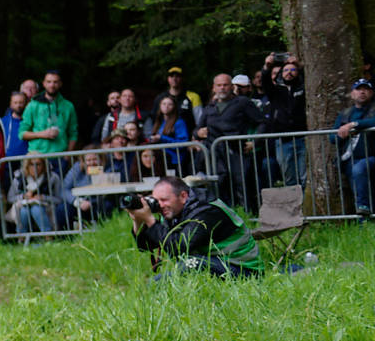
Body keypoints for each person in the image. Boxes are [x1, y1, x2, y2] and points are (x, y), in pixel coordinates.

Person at [126, 176, 264, 277]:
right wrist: (138, 220)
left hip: (243, 269)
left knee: (187, 266)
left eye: (164, 199)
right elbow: (145, 247)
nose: (160, 205)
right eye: (157, 201)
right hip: (214, 263)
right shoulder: (172, 211)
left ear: (183, 196)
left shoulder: (206, 210)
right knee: (157, 281)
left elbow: (178, 247)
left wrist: (150, 220)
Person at [196, 71, 266, 210]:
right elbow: (197, 128)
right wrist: (198, 132)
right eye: (219, 85)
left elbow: (262, 122)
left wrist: (254, 142)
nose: (222, 88)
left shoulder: (243, 102)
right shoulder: (209, 107)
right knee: (219, 185)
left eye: (225, 85)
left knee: (242, 185)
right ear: (214, 88)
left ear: (231, 86)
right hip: (214, 153)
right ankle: (222, 216)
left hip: (237, 150)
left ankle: (247, 216)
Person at [263, 56, 306, 187]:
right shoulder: (275, 91)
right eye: (286, 70)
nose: (289, 72)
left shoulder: (302, 89)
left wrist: (300, 65)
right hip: (283, 140)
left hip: (302, 137)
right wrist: (267, 66)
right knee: (289, 176)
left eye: (293, 69)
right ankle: (295, 205)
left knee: (304, 176)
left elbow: (308, 78)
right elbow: (266, 82)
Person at [336, 76, 375, 212]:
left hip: (371, 157)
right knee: (358, 189)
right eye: (359, 89)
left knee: (359, 169)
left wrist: (354, 125)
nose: (362, 92)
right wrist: (343, 134)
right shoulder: (345, 114)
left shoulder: (373, 109)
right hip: (350, 159)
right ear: (352, 94)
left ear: (371, 93)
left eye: (366, 89)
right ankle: (364, 223)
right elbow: (332, 137)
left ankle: (364, 208)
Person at [20, 69, 78, 156]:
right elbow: (22, 133)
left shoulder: (68, 106)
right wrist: (41, 134)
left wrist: (68, 156)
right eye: (49, 82)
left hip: (60, 156)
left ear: (60, 84)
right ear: (44, 83)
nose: (52, 85)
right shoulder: (33, 105)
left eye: (55, 82)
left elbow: (73, 133)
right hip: (37, 156)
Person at [11, 156, 61, 241]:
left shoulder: (52, 177)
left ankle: (48, 237)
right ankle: (22, 238)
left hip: (46, 207)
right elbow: (10, 198)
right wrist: (23, 197)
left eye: (38, 164)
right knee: (24, 211)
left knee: (36, 209)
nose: (35, 168)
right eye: (31, 165)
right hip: (23, 206)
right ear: (27, 166)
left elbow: (59, 199)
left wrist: (44, 198)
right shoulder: (19, 178)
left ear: (44, 165)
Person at [0, 90, 29, 161]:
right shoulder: (3, 122)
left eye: (21, 103)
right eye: (15, 103)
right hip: (8, 162)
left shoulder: (32, 121)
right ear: (10, 104)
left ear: (26, 103)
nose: (18, 105)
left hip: (27, 161)